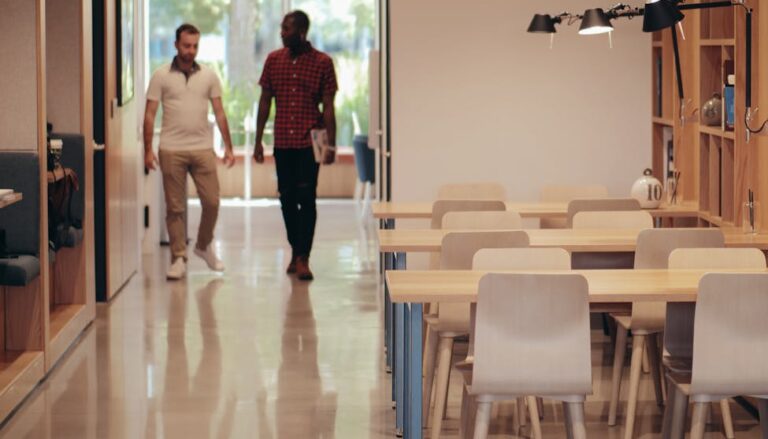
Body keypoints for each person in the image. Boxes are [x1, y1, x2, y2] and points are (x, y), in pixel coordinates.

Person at [144, 23, 235, 280]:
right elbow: (149, 116)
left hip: (203, 148)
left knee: (212, 202)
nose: (190, 51)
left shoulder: (209, 76)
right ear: (176, 44)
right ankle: (178, 257)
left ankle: (203, 246)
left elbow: (219, 113)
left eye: (195, 46)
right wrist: (147, 151)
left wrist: (228, 146)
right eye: (186, 45)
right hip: (171, 149)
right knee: (175, 208)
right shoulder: (161, 76)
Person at [254, 10, 338, 281]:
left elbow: (328, 107)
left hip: (309, 141)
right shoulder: (273, 60)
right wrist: (258, 140)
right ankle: (296, 249)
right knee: (287, 199)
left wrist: (331, 145)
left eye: (287, 28)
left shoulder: (322, 62)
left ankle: (303, 257)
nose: (282, 32)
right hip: (283, 141)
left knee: (307, 198)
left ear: (301, 31)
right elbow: (265, 101)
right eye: (281, 27)